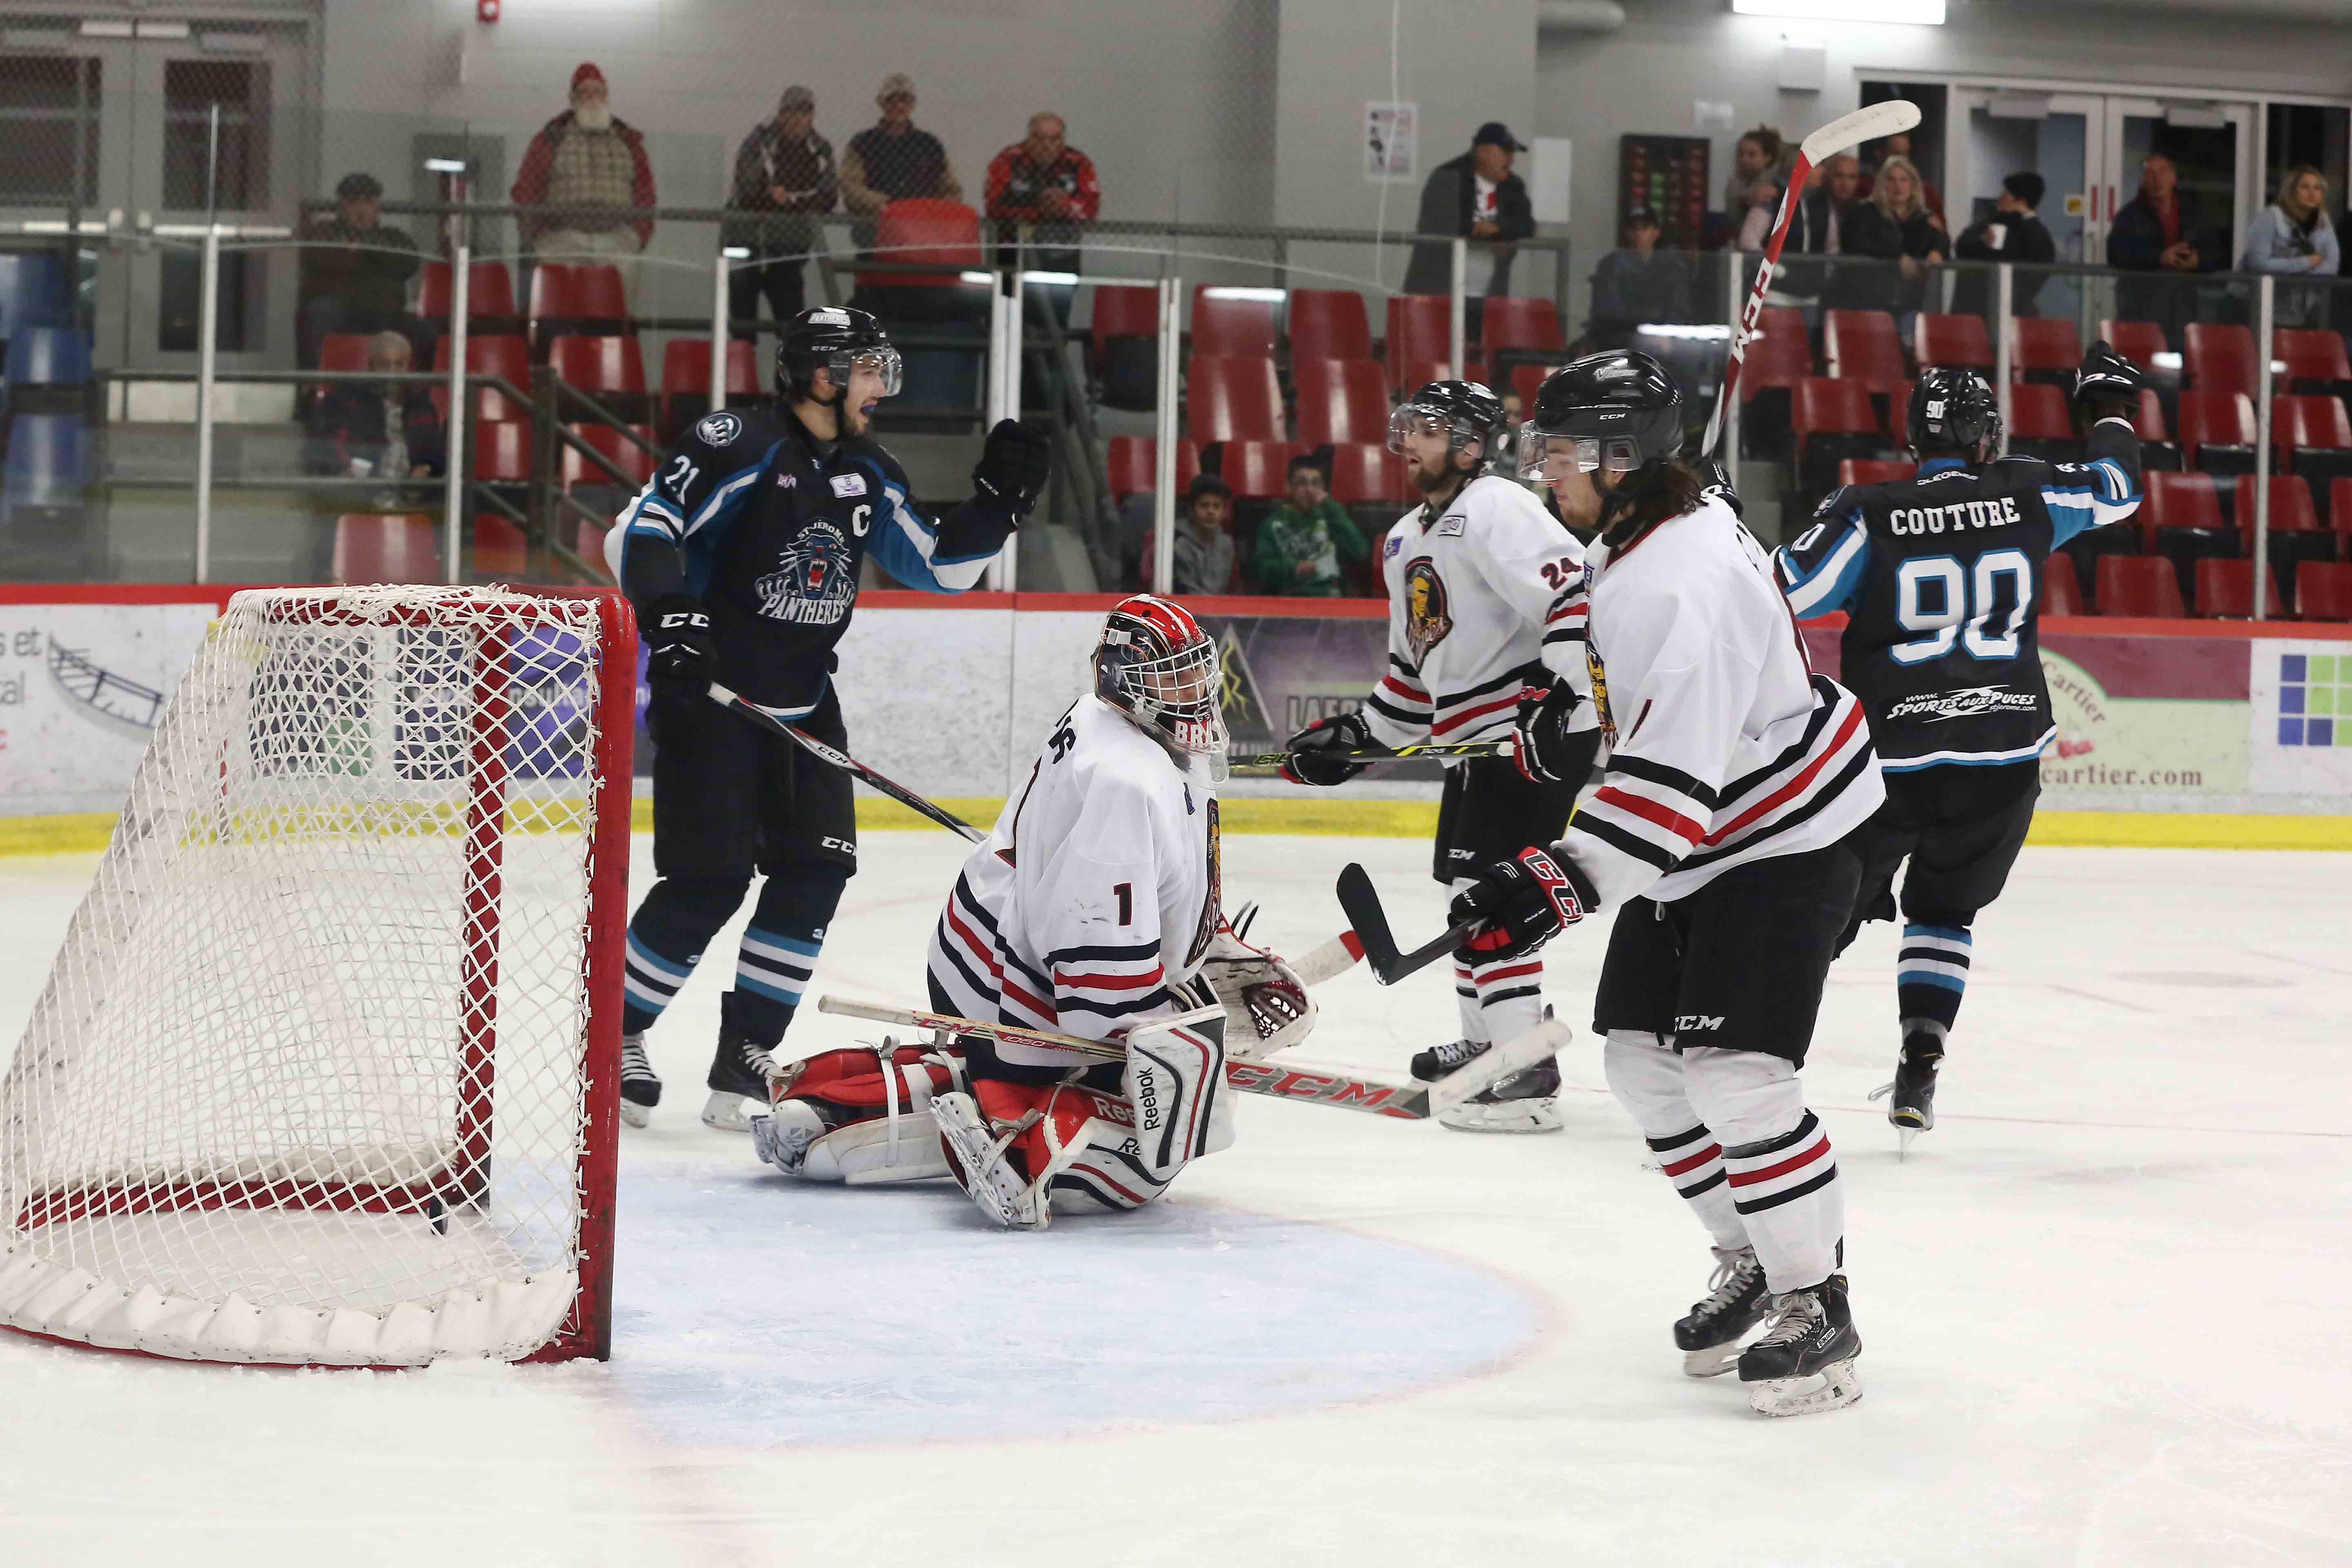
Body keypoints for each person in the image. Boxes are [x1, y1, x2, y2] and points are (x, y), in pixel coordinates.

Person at [1450, 350, 1885, 1416]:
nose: (1544, 470)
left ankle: (1816, 1301)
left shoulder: (1678, 581)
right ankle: (1756, 1260)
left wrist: (1556, 881)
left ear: (1619, 457)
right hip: (1709, 830)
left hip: (1783, 834)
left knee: (1737, 1074)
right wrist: (1567, 701)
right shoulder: (1646, 532)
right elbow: (1617, 656)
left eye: (1560, 452)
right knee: (1645, 1065)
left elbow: (1668, 791)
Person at [603, 307, 1052, 1132]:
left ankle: (745, 1053)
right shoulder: (736, 443)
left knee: (816, 873)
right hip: (715, 701)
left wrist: (997, 507)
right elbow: (645, 527)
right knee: (708, 883)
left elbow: (941, 568)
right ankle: (613, 1033)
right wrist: (671, 615)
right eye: (870, 369)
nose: (883, 386)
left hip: (808, 705)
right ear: (823, 374)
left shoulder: (869, 468)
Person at [753, 597, 1314, 1229]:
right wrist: (1171, 1033)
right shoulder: (1128, 780)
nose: (1194, 694)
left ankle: (862, 1100)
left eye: (1195, 675)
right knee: (1162, 1142)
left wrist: (1211, 945)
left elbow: (1166, 872)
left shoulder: (1111, 722)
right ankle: (1018, 1148)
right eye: (1172, 679)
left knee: (1096, 1082)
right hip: (1015, 992)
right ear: (1125, 682)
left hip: (980, 949)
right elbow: (1094, 964)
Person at [1775, 348, 2145, 1153]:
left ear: (1914, 439)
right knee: (1944, 912)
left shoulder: (1868, 511)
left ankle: (1753, 1064)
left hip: (1889, 765)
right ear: (1986, 438)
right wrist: (2110, 410)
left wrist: (1722, 528)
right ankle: (1921, 1055)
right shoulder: (2029, 490)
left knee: (1819, 915)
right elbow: (2119, 488)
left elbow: (1786, 592)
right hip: (2002, 757)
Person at [1281, 381, 1598, 1134]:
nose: (1411, 443)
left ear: (1469, 445)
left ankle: (1525, 1070)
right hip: (1474, 743)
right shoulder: (1402, 540)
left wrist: (1556, 699)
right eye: (1410, 428)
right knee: (1468, 891)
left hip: (1526, 735)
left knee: (1494, 894)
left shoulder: (1497, 506)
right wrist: (1355, 743)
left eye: (1429, 430)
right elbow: (1411, 677)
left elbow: (1575, 597)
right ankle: (1486, 1043)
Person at [511, 63, 657, 303]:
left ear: (606, 97)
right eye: (585, 93)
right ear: (572, 99)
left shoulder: (628, 142)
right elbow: (527, 189)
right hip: (561, 239)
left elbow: (646, 193)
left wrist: (636, 237)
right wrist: (537, 237)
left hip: (617, 240)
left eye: (598, 92)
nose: (592, 99)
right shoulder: (551, 138)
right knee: (559, 309)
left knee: (616, 309)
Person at [723, 85, 838, 339]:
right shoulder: (759, 143)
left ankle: (787, 365)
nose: (798, 119)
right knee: (742, 324)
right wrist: (777, 198)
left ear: (812, 116)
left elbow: (828, 198)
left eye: (804, 112)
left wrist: (787, 200)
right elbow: (746, 192)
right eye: (792, 112)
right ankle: (740, 362)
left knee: (791, 328)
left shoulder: (820, 150)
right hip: (745, 242)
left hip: (789, 247)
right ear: (781, 114)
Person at [1402, 123, 1536, 339]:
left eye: (1512, 153)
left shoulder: (1513, 186)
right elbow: (1445, 224)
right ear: (1481, 151)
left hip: (1489, 298)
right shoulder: (1448, 177)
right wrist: (1484, 232)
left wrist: (1494, 231)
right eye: (1505, 152)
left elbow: (1526, 226)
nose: (1511, 160)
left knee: (1480, 353)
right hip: (1439, 293)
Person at [296, 172, 425, 371]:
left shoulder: (394, 237)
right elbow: (322, 260)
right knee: (320, 313)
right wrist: (376, 258)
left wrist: (360, 249)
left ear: (377, 208)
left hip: (385, 312)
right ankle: (316, 383)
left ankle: (421, 387)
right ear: (341, 207)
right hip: (341, 311)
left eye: (368, 202)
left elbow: (409, 263)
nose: (361, 209)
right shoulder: (324, 233)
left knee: (423, 329)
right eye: (353, 202)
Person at [983, 111, 1101, 314]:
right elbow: (993, 204)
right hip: (1011, 248)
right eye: (1039, 139)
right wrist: (1039, 210)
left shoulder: (1078, 162)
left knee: (1058, 311)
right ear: (1028, 138)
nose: (1047, 146)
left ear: (1063, 140)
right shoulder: (1009, 160)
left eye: (1055, 139)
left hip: (1060, 248)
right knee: (1007, 310)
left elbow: (1091, 206)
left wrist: (1066, 207)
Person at [842, 73, 962, 245]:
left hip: (922, 236)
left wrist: (929, 211)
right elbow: (851, 187)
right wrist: (888, 206)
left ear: (913, 104)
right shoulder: (862, 144)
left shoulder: (930, 146)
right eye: (892, 100)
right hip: (874, 235)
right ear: (881, 103)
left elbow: (952, 190)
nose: (899, 106)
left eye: (905, 100)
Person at [308, 330, 443, 483]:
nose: (392, 372)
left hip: (412, 492)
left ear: (408, 366)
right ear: (372, 366)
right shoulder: (347, 401)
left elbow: (437, 456)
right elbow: (324, 447)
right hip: (363, 490)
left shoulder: (422, 405)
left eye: (399, 365)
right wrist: (342, 471)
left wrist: (426, 469)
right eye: (385, 365)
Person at [2108, 154, 2206, 342]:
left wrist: (2198, 261)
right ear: (2143, 180)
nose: (2157, 179)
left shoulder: (2193, 214)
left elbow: (2217, 252)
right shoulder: (2129, 216)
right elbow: (2116, 255)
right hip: (2140, 310)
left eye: (2163, 172)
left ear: (2174, 177)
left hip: (2183, 309)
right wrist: (2159, 257)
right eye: (2150, 173)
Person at [1838, 154, 1946, 318]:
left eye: (1904, 180)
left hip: (1911, 302)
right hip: (1867, 300)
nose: (1898, 186)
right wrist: (1897, 257)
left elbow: (1943, 242)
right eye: (1891, 180)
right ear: (1882, 184)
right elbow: (1856, 244)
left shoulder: (1924, 217)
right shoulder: (1864, 211)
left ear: (1913, 185)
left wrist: (1938, 251)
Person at [1251, 453, 1369, 596]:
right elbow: (1260, 570)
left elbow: (1360, 552)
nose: (1309, 490)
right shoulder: (1273, 523)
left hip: (1330, 597)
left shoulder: (1332, 517)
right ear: (1289, 487)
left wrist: (1332, 510)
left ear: (1324, 489)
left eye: (1316, 484)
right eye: (1302, 483)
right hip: (1288, 596)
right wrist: (1295, 567)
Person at [2242, 165, 2341, 330]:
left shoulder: (2323, 220)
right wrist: (2306, 263)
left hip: (2305, 311)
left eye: (2317, 188)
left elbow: (2332, 266)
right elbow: (2258, 263)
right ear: (2291, 191)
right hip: (2262, 306)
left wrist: (2298, 274)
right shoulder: (2270, 217)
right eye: (2305, 187)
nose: (2312, 193)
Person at [1951, 172, 2057, 318]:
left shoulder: (2034, 232)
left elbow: (2039, 269)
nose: (2001, 196)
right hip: (1976, 306)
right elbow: (1961, 245)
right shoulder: (1992, 222)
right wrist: (1981, 241)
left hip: (2009, 308)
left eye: (2006, 192)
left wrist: (2018, 295)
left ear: (2020, 199)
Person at [1586, 207, 1694, 349]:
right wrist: (1639, 332)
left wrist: (1666, 334)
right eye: (1633, 229)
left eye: (1644, 228)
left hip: (1664, 342)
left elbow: (1680, 308)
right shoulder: (1611, 265)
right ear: (1627, 233)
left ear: (1656, 232)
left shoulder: (1672, 266)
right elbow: (1609, 312)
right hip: (1621, 340)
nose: (1638, 234)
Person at [1167, 473, 1236, 595]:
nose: (1211, 512)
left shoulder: (1227, 544)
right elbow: (1188, 589)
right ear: (1192, 510)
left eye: (1217, 507)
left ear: (1224, 512)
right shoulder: (1180, 545)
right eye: (1204, 506)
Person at [1724, 127, 1787, 222]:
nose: (1744, 160)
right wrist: (1747, 202)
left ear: (1767, 157)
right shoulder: (1734, 184)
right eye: (1741, 154)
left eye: (1752, 155)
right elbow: (1733, 217)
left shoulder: (1780, 182)